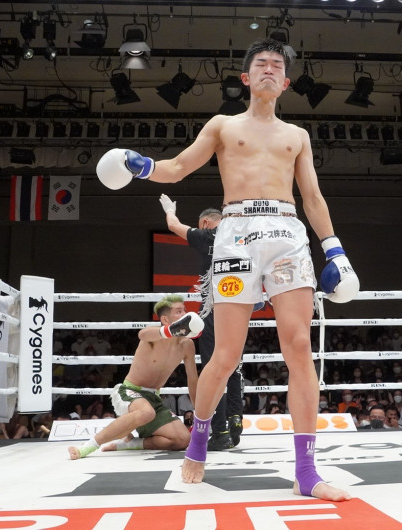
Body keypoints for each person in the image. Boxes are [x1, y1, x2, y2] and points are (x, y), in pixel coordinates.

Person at [95, 38, 359, 501]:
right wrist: (141, 166)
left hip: (287, 233)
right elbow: (178, 167)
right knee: (226, 355)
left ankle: (306, 471)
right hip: (235, 234)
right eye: (261, 64)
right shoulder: (222, 125)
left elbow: (313, 198)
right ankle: (198, 442)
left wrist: (335, 251)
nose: (269, 69)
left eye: (277, 65)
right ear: (246, 78)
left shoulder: (297, 135)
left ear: (286, 82)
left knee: (300, 347)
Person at [68, 294, 202, 459]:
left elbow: (192, 380)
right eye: (178, 311)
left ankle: (131, 443)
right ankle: (87, 446)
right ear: (165, 319)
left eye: (185, 310)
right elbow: (142, 334)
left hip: (154, 398)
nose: (185, 315)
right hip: (131, 391)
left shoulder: (186, 344)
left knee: (182, 439)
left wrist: (199, 413)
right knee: (146, 413)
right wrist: (170, 331)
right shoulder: (152, 337)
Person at [159, 196, 244, 451]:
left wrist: (170, 210)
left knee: (213, 369)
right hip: (239, 311)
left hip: (214, 310)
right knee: (234, 366)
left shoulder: (207, 236)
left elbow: (173, 226)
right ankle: (235, 420)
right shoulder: (241, 238)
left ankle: (220, 432)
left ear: (205, 223)